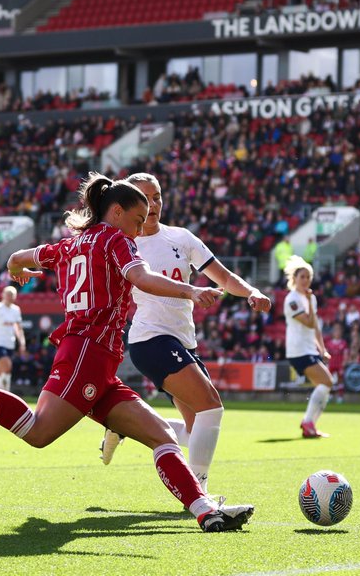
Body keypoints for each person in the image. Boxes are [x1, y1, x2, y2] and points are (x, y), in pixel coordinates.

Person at [0, 173, 255, 532]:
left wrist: (14, 268)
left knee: (162, 436)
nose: (138, 229)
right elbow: (142, 278)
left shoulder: (69, 244)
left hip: (98, 359)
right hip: (87, 351)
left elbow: (21, 256)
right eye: (135, 220)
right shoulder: (117, 239)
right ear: (116, 212)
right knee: (38, 433)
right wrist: (190, 291)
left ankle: (207, 512)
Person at [97, 173, 272, 498]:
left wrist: (250, 292)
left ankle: (122, 424)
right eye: (145, 198)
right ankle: (199, 492)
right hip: (150, 339)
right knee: (212, 408)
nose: (153, 205)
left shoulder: (181, 237)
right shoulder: (123, 244)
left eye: (158, 197)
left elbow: (222, 275)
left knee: (196, 429)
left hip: (183, 342)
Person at [283, 257, 332, 438]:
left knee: (325, 384)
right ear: (294, 278)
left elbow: (316, 327)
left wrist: (322, 349)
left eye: (308, 277)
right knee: (327, 382)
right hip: (298, 350)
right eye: (302, 276)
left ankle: (310, 424)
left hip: (309, 349)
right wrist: (310, 303)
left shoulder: (311, 299)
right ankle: (308, 422)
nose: (306, 280)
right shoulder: (292, 300)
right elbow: (309, 323)